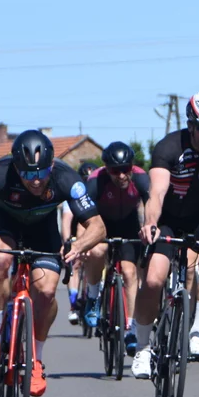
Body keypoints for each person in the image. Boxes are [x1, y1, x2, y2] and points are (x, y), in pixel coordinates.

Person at [0, 130, 106, 397]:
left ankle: (35, 360)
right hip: (4, 224)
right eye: (28, 175)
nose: (35, 181)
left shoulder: (65, 178)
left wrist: (78, 246)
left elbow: (98, 226)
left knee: (46, 291)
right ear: (15, 167)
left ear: (52, 165)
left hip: (43, 232)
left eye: (41, 174)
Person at [131, 91, 199, 378]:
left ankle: (197, 331)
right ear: (191, 125)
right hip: (169, 217)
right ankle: (143, 347)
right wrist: (151, 222)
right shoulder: (169, 147)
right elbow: (156, 192)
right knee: (154, 278)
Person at [80, 142, 149, 356]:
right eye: (115, 171)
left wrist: (149, 229)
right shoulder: (95, 181)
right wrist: (82, 241)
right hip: (101, 223)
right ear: (106, 169)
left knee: (129, 273)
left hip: (128, 224)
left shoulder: (140, 178)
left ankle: (131, 327)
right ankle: (92, 297)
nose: (121, 176)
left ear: (132, 167)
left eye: (125, 170)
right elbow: (81, 214)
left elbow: (152, 206)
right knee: (98, 251)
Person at [62, 161, 99, 324]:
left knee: (98, 256)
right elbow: (66, 219)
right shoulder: (73, 191)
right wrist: (67, 242)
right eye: (84, 179)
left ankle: (95, 294)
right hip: (74, 228)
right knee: (74, 263)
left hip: (90, 228)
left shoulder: (97, 192)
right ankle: (73, 303)